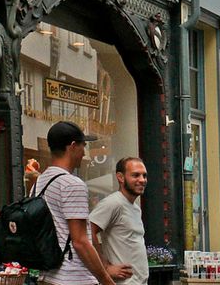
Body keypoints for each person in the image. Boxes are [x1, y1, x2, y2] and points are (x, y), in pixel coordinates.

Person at [36, 121, 117, 285]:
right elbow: (80, 241)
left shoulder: (41, 182)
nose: (84, 153)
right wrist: (106, 279)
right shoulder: (72, 184)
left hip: (48, 276)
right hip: (73, 277)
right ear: (72, 146)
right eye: (83, 146)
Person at [89, 157, 149, 285]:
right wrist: (104, 268)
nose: (142, 180)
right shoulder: (113, 203)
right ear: (120, 177)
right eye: (136, 175)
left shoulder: (136, 208)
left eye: (144, 175)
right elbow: (88, 230)